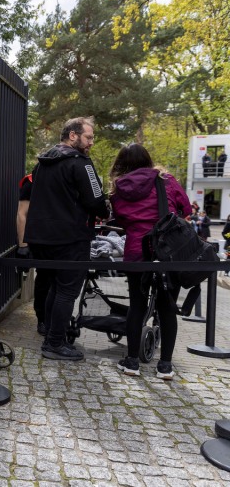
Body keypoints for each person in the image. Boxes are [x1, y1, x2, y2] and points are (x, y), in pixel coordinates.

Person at [25, 116, 110, 361]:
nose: (91, 143)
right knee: (66, 291)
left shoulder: (42, 163)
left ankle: (51, 333)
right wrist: (104, 211)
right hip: (70, 238)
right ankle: (54, 343)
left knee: (54, 286)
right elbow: (95, 199)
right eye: (89, 137)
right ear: (73, 135)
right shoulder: (80, 163)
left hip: (41, 237)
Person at [109, 144, 191, 380]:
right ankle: (165, 366)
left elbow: (122, 220)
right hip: (168, 252)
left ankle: (132, 362)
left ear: (122, 164)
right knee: (167, 309)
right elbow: (185, 209)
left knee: (137, 305)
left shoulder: (119, 189)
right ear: (148, 159)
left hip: (137, 251)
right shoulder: (166, 180)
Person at [15, 173, 50, 336]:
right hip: (41, 239)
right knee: (45, 279)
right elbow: (22, 213)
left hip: (64, 237)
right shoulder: (31, 181)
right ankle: (42, 318)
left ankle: (55, 317)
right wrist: (23, 245)